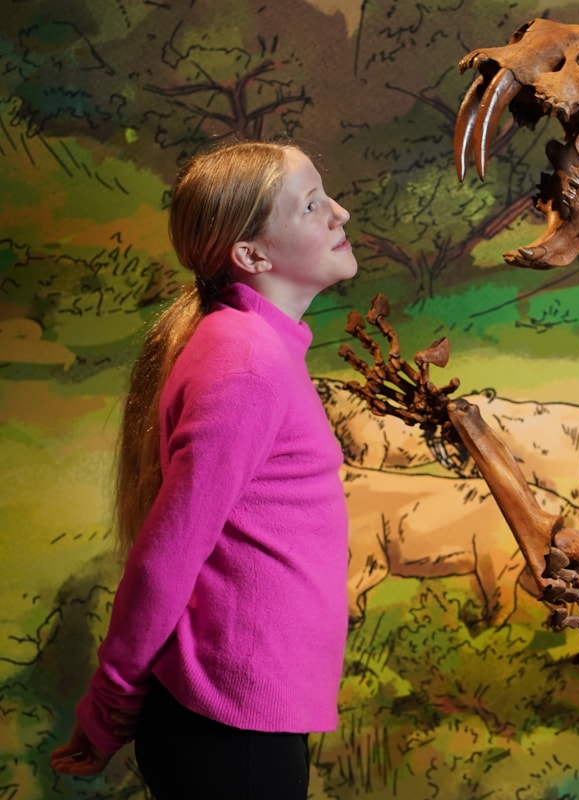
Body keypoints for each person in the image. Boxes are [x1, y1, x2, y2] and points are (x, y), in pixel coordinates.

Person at [49, 139, 358, 798]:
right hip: (228, 732)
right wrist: (108, 710)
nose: (341, 214)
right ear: (251, 256)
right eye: (311, 206)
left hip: (248, 719)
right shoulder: (247, 361)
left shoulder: (257, 344)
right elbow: (166, 557)